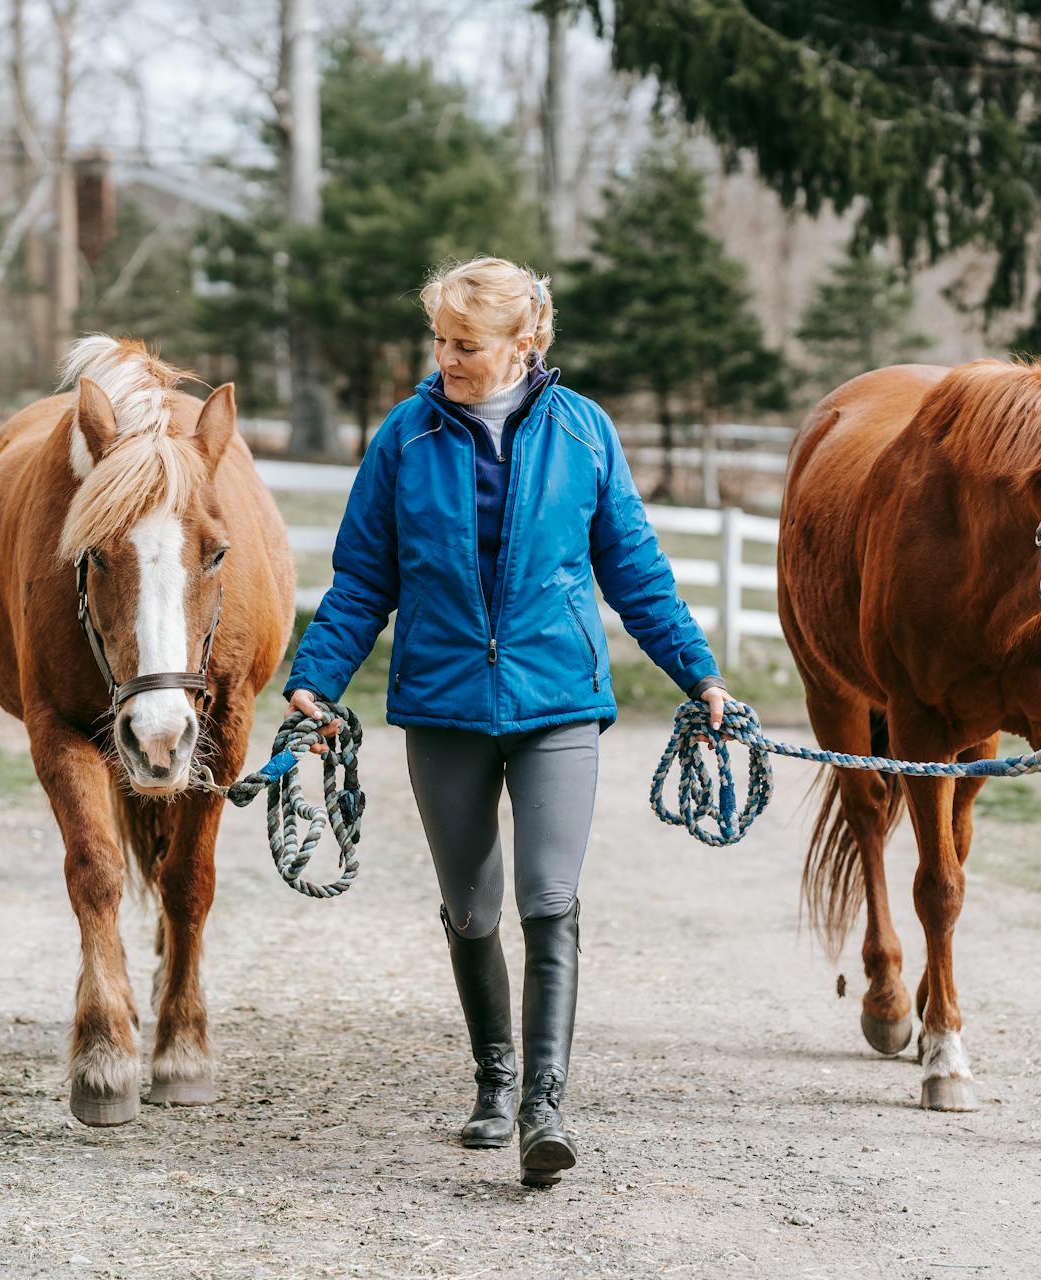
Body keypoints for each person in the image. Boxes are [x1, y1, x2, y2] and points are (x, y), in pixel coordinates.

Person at [284, 256, 733, 1187]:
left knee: (547, 895)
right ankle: (493, 1080)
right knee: (472, 904)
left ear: (526, 344)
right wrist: (315, 682)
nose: (444, 357)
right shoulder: (405, 440)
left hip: (556, 702)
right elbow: (366, 576)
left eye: (465, 343)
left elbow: (636, 572)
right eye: (438, 339)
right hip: (443, 705)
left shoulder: (585, 433)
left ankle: (543, 1103)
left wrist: (702, 676)